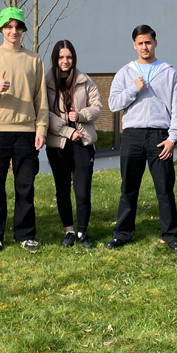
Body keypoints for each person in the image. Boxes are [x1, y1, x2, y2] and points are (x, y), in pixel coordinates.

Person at [0, 7, 48, 252]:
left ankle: (25, 233)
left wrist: (41, 128)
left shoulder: (34, 60)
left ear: (23, 30)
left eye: (18, 27)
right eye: (9, 27)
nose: (13, 31)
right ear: (2, 29)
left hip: (26, 131)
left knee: (25, 186)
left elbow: (41, 99)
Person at [106, 24, 177, 251]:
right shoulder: (125, 72)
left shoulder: (168, 72)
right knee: (128, 187)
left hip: (160, 136)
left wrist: (172, 138)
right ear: (134, 45)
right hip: (133, 135)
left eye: (148, 42)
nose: (144, 47)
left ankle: (171, 235)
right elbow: (113, 104)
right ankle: (122, 233)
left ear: (155, 43)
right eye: (140, 43)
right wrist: (133, 88)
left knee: (164, 187)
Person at [44, 40, 102, 249]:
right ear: (55, 59)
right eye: (61, 57)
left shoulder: (85, 81)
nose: (65, 61)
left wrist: (81, 115)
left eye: (69, 57)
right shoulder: (45, 82)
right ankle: (69, 231)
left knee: (82, 190)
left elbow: (97, 107)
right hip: (58, 143)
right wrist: (68, 132)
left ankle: (82, 232)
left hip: (83, 141)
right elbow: (44, 112)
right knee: (62, 189)